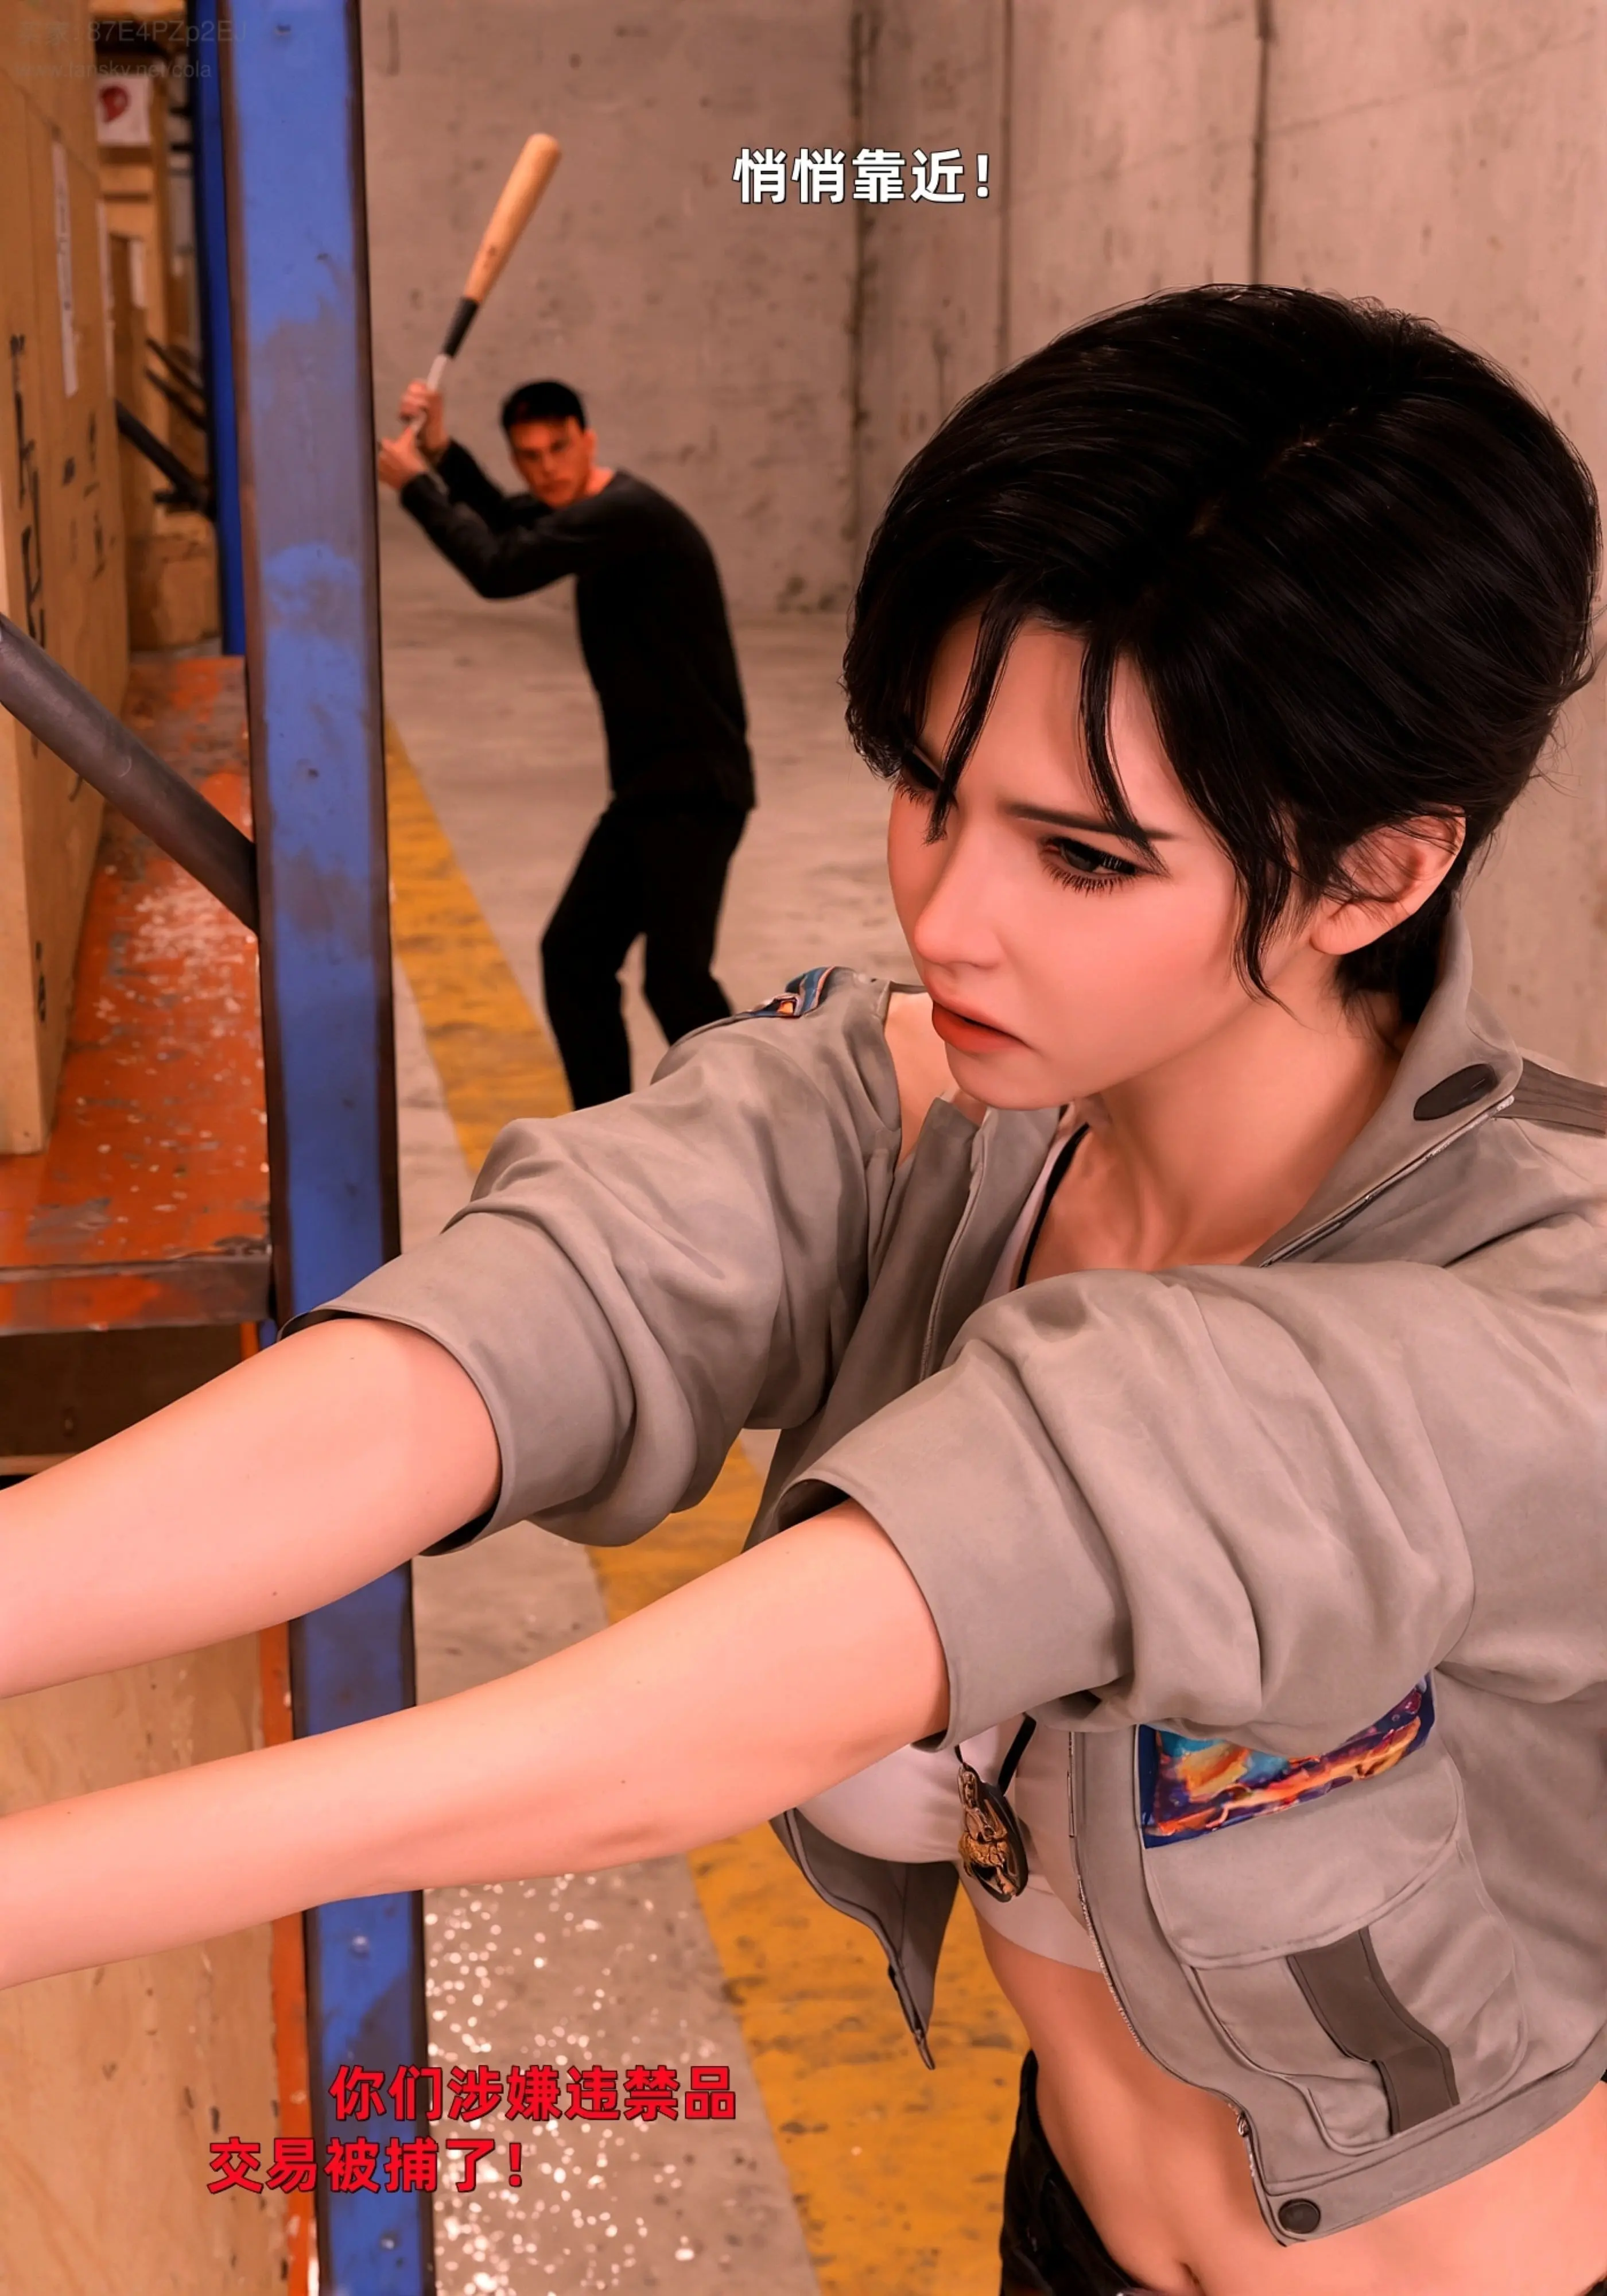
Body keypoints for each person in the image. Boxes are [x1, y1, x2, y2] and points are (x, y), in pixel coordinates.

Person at [4, 286, 1606, 2296]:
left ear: (1375, 873)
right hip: (1065, 2234)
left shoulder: (1544, 1323)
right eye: (929, 786)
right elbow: (502, 1336)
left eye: (1083, 857)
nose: (949, 911)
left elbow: (709, 1714)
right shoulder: (941, 1108)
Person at [376, 377, 754, 1107]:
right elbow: (510, 521)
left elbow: (500, 566)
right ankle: (604, 1128)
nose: (546, 468)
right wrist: (443, 452)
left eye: (558, 448)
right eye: (529, 456)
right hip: (648, 792)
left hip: (697, 791)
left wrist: (417, 487)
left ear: (589, 441)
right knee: (574, 957)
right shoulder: (592, 515)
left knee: (676, 982)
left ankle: (757, 1117)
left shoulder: (628, 514)